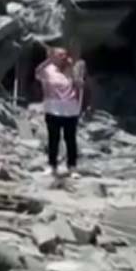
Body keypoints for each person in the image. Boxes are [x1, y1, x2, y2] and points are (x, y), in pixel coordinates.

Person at [36, 47, 87, 179]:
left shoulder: (73, 69)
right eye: (60, 55)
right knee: (53, 139)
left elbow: (80, 84)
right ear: (53, 56)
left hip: (70, 110)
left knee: (70, 140)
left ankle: (72, 167)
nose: (63, 57)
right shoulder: (48, 70)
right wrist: (49, 60)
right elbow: (37, 72)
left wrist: (74, 71)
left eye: (65, 54)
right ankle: (52, 166)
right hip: (53, 109)